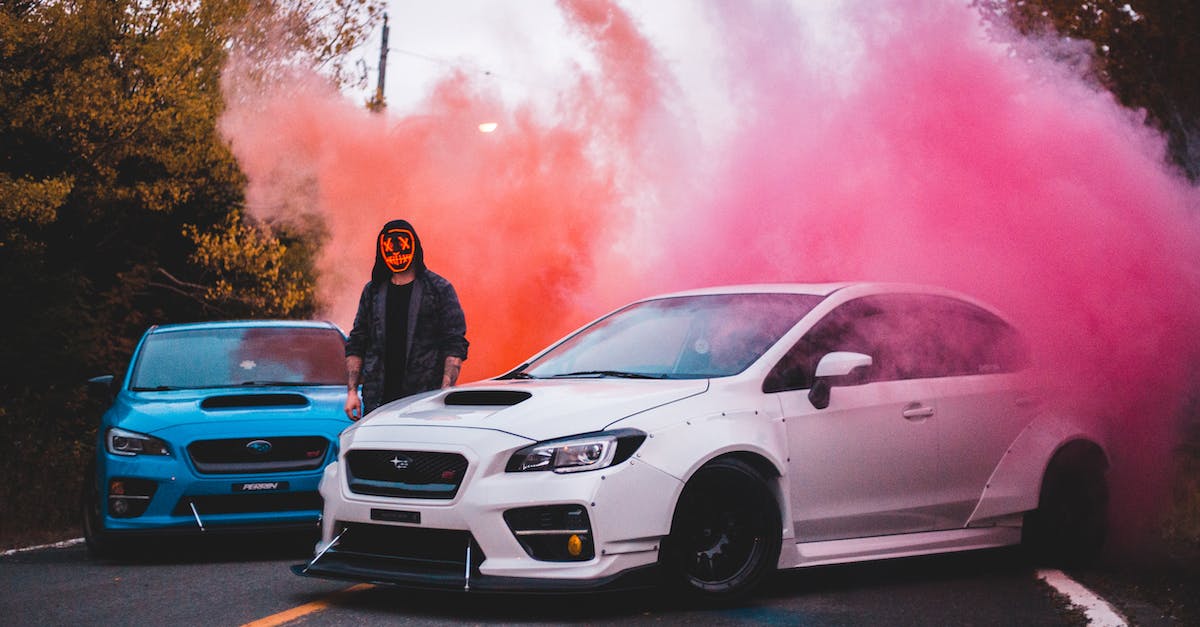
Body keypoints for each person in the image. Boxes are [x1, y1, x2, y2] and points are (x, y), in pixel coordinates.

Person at [344, 219, 468, 420]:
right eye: (389, 248)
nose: (396, 253)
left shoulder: (439, 289)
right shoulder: (373, 291)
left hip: (423, 401)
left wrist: (443, 392)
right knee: (377, 451)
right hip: (377, 400)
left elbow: (454, 344)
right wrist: (351, 393)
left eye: (401, 246)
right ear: (382, 251)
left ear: (414, 247)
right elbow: (357, 341)